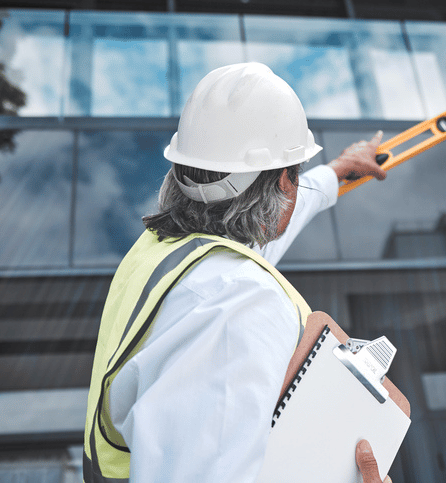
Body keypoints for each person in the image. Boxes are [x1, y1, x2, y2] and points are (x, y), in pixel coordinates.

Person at [83, 62, 389, 482]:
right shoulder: (237, 304)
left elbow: (270, 220)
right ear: (284, 182)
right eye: (294, 175)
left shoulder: (169, 251)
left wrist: (336, 172)